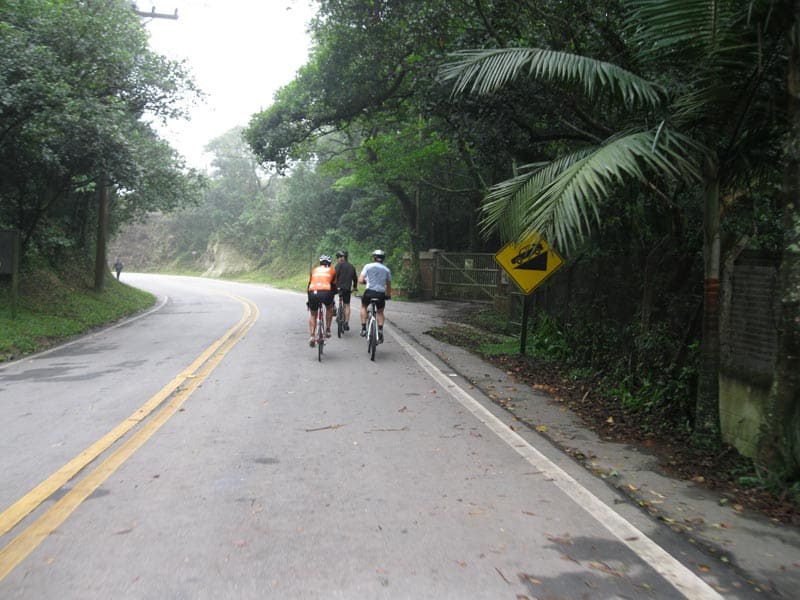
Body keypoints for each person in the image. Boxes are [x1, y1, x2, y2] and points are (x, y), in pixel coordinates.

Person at [359, 249, 391, 343]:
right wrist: (388, 295)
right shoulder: (387, 270)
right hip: (380, 294)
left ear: (374, 258)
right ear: (383, 259)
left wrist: (365, 282)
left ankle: (364, 328)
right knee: (380, 312)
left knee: (364, 306)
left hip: (369, 292)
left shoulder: (368, 266)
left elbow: (360, 280)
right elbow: (388, 285)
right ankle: (380, 330)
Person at [307, 254, 337, 347]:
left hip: (313, 292)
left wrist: (309, 301)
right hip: (326, 292)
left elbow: (309, 285)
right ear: (329, 263)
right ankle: (327, 329)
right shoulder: (332, 270)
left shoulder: (314, 270)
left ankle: (312, 336)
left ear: (320, 263)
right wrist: (333, 298)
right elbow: (334, 286)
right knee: (329, 308)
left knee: (313, 314)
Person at [334, 250, 358, 330]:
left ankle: (334, 308)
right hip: (347, 288)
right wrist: (354, 287)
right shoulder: (351, 267)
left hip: (338, 288)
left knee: (331, 297)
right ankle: (346, 322)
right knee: (347, 305)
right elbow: (355, 279)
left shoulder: (338, 265)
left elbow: (334, 276)